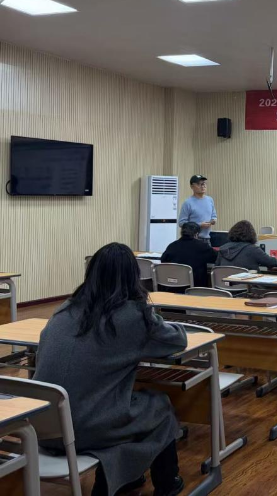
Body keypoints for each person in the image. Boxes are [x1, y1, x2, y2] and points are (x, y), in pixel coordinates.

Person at [34, 243, 188, 496]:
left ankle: (125, 479)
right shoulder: (132, 316)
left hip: (42, 426)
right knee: (158, 406)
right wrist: (146, 309)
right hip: (82, 430)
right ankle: (167, 484)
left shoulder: (64, 310)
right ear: (133, 277)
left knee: (124, 409)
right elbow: (177, 340)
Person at [161, 221, 217, 287]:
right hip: (195, 287)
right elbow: (215, 258)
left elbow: (163, 260)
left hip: (173, 286)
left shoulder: (172, 246)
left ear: (181, 233)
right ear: (196, 234)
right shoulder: (203, 246)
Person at [178, 174, 217, 244]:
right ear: (192, 186)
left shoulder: (210, 200)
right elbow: (181, 223)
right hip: (192, 239)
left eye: (204, 183)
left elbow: (214, 216)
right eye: (199, 184)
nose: (203, 186)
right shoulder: (188, 203)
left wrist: (213, 220)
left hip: (207, 239)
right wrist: (199, 225)